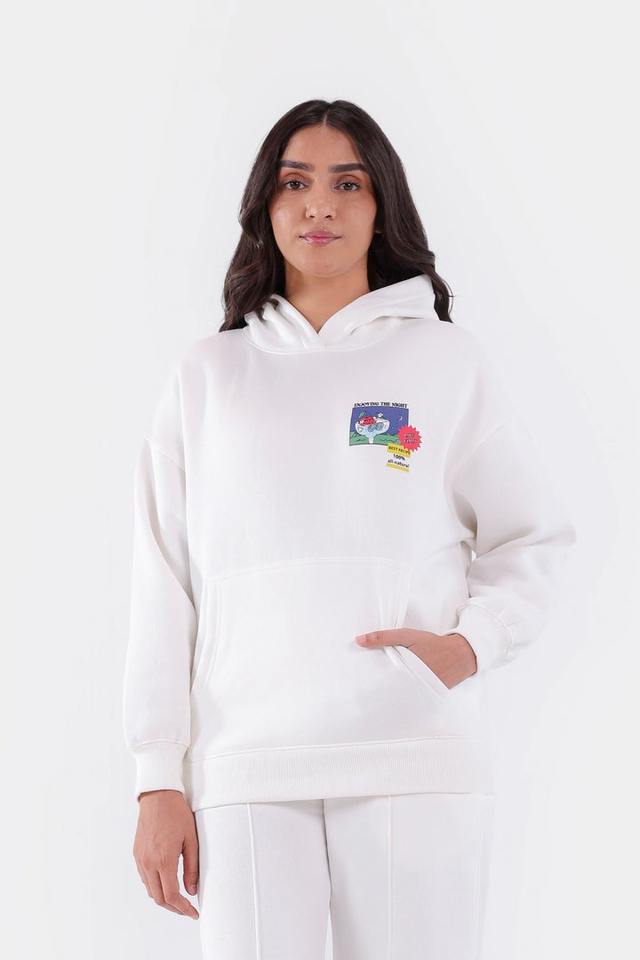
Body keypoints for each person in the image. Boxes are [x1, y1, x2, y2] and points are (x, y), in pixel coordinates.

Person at [122, 99, 576, 959]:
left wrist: (471, 645)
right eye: (295, 183)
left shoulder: (446, 362)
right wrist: (156, 778)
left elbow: (531, 537)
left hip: (413, 754)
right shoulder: (206, 376)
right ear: (265, 205)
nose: (319, 206)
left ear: (381, 205)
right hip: (247, 766)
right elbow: (163, 582)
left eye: (348, 183)